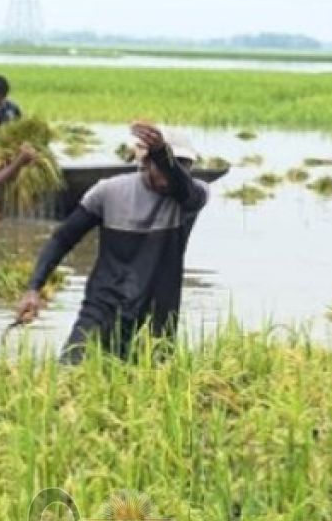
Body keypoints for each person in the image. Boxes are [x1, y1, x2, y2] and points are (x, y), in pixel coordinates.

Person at [16, 123, 208, 363]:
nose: (171, 173)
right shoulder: (109, 193)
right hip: (103, 305)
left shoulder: (193, 197)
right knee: (71, 374)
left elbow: (183, 187)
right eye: (165, 164)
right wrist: (34, 288)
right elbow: (63, 239)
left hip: (156, 313)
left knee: (147, 389)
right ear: (145, 162)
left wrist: (162, 153)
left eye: (184, 165)